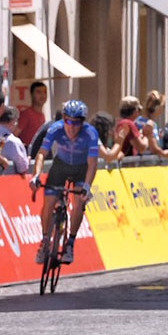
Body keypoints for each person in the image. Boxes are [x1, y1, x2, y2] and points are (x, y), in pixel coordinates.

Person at [30, 100, 99, 265]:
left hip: (81, 168)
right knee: (49, 201)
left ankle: (70, 243)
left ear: (82, 122)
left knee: (79, 202)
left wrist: (87, 187)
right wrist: (36, 175)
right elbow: (41, 153)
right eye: (68, 121)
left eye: (76, 123)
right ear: (64, 119)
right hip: (60, 166)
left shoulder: (90, 133)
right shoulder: (56, 129)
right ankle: (46, 239)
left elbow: (92, 163)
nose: (72, 126)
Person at [15, 81, 48, 148]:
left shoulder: (42, 115)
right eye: (38, 92)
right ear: (32, 94)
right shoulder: (26, 114)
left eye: (44, 92)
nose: (42, 95)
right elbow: (14, 134)